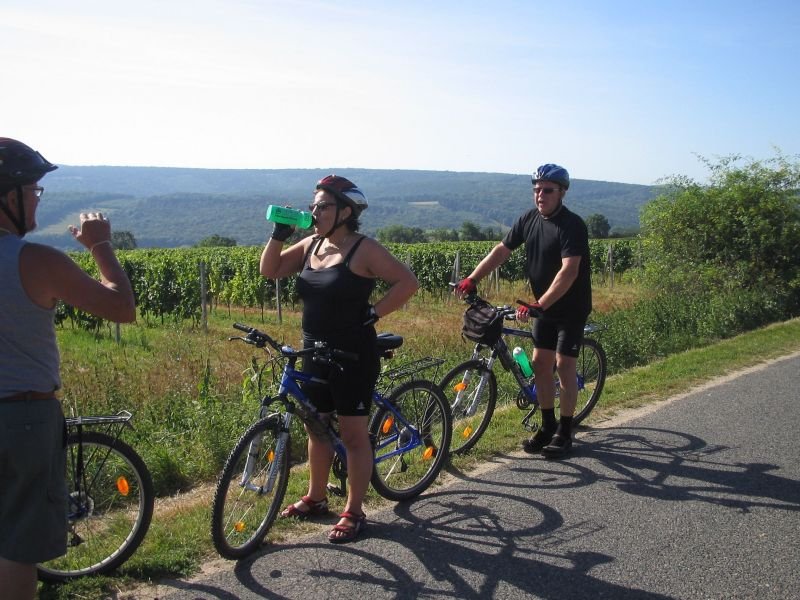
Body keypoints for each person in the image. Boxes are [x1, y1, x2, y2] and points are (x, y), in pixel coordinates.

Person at [0, 138, 136, 600]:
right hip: (23, 418)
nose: (38, 198)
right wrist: (101, 247)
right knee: (17, 547)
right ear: (9, 196)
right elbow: (121, 308)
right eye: (34, 189)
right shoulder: (34, 261)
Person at [260, 174, 418, 543]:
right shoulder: (311, 245)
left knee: (353, 434)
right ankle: (316, 498)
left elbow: (407, 282)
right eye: (313, 205)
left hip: (353, 353)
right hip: (314, 349)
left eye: (322, 206)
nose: (314, 212)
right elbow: (270, 270)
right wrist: (278, 234)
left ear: (345, 211)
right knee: (317, 428)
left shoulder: (364, 249)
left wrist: (374, 313)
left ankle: (354, 510)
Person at [454, 164, 591, 458]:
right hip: (543, 305)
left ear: (562, 192)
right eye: (536, 189)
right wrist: (473, 278)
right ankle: (547, 424)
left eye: (547, 190)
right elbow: (501, 251)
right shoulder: (529, 219)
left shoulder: (572, 225)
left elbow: (569, 272)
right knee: (540, 363)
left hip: (570, 307)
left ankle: (565, 432)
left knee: (564, 364)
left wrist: (542, 303)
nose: (540, 195)